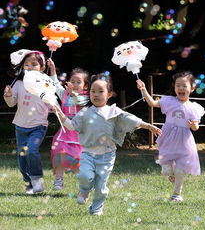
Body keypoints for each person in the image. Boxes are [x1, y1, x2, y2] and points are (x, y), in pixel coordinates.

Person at [56, 74, 161, 215]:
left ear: (109, 94)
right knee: (84, 176)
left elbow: (131, 120)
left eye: (100, 91)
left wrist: (148, 126)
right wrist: (62, 116)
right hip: (87, 153)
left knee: (100, 186)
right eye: (93, 91)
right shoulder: (85, 113)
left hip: (107, 156)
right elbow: (71, 126)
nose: (96, 94)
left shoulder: (114, 112)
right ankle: (84, 190)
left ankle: (97, 208)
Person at [138, 71, 204, 202]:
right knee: (166, 171)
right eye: (178, 85)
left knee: (180, 171)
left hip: (184, 142)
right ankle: (171, 172)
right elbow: (152, 103)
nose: (181, 88)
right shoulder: (169, 101)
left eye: (184, 86)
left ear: (191, 89)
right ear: (174, 88)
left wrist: (192, 125)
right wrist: (144, 89)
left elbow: (196, 127)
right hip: (168, 139)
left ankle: (177, 194)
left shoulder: (194, 108)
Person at [3, 50, 50, 194]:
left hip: (39, 126)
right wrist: (8, 96)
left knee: (31, 150)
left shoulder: (45, 83)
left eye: (34, 64)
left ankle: (36, 180)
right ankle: (30, 184)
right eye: (26, 64)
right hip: (20, 127)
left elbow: (51, 100)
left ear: (42, 68)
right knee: (22, 160)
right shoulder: (18, 83)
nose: (29, 67)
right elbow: (11, 103)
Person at [47, 59, 89, 191]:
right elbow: (54, 84)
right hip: (64, 132)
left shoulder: (87, 97)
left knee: (80, 159)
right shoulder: (64, 93)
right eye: (73, 81)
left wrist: (73, 94)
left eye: (79, 82)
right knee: (60, 153)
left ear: (85, 86)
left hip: (79, 133)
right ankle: (59, 180)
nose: (75, 84)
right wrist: (53, 69)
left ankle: (83, 184)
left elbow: (81, 102)